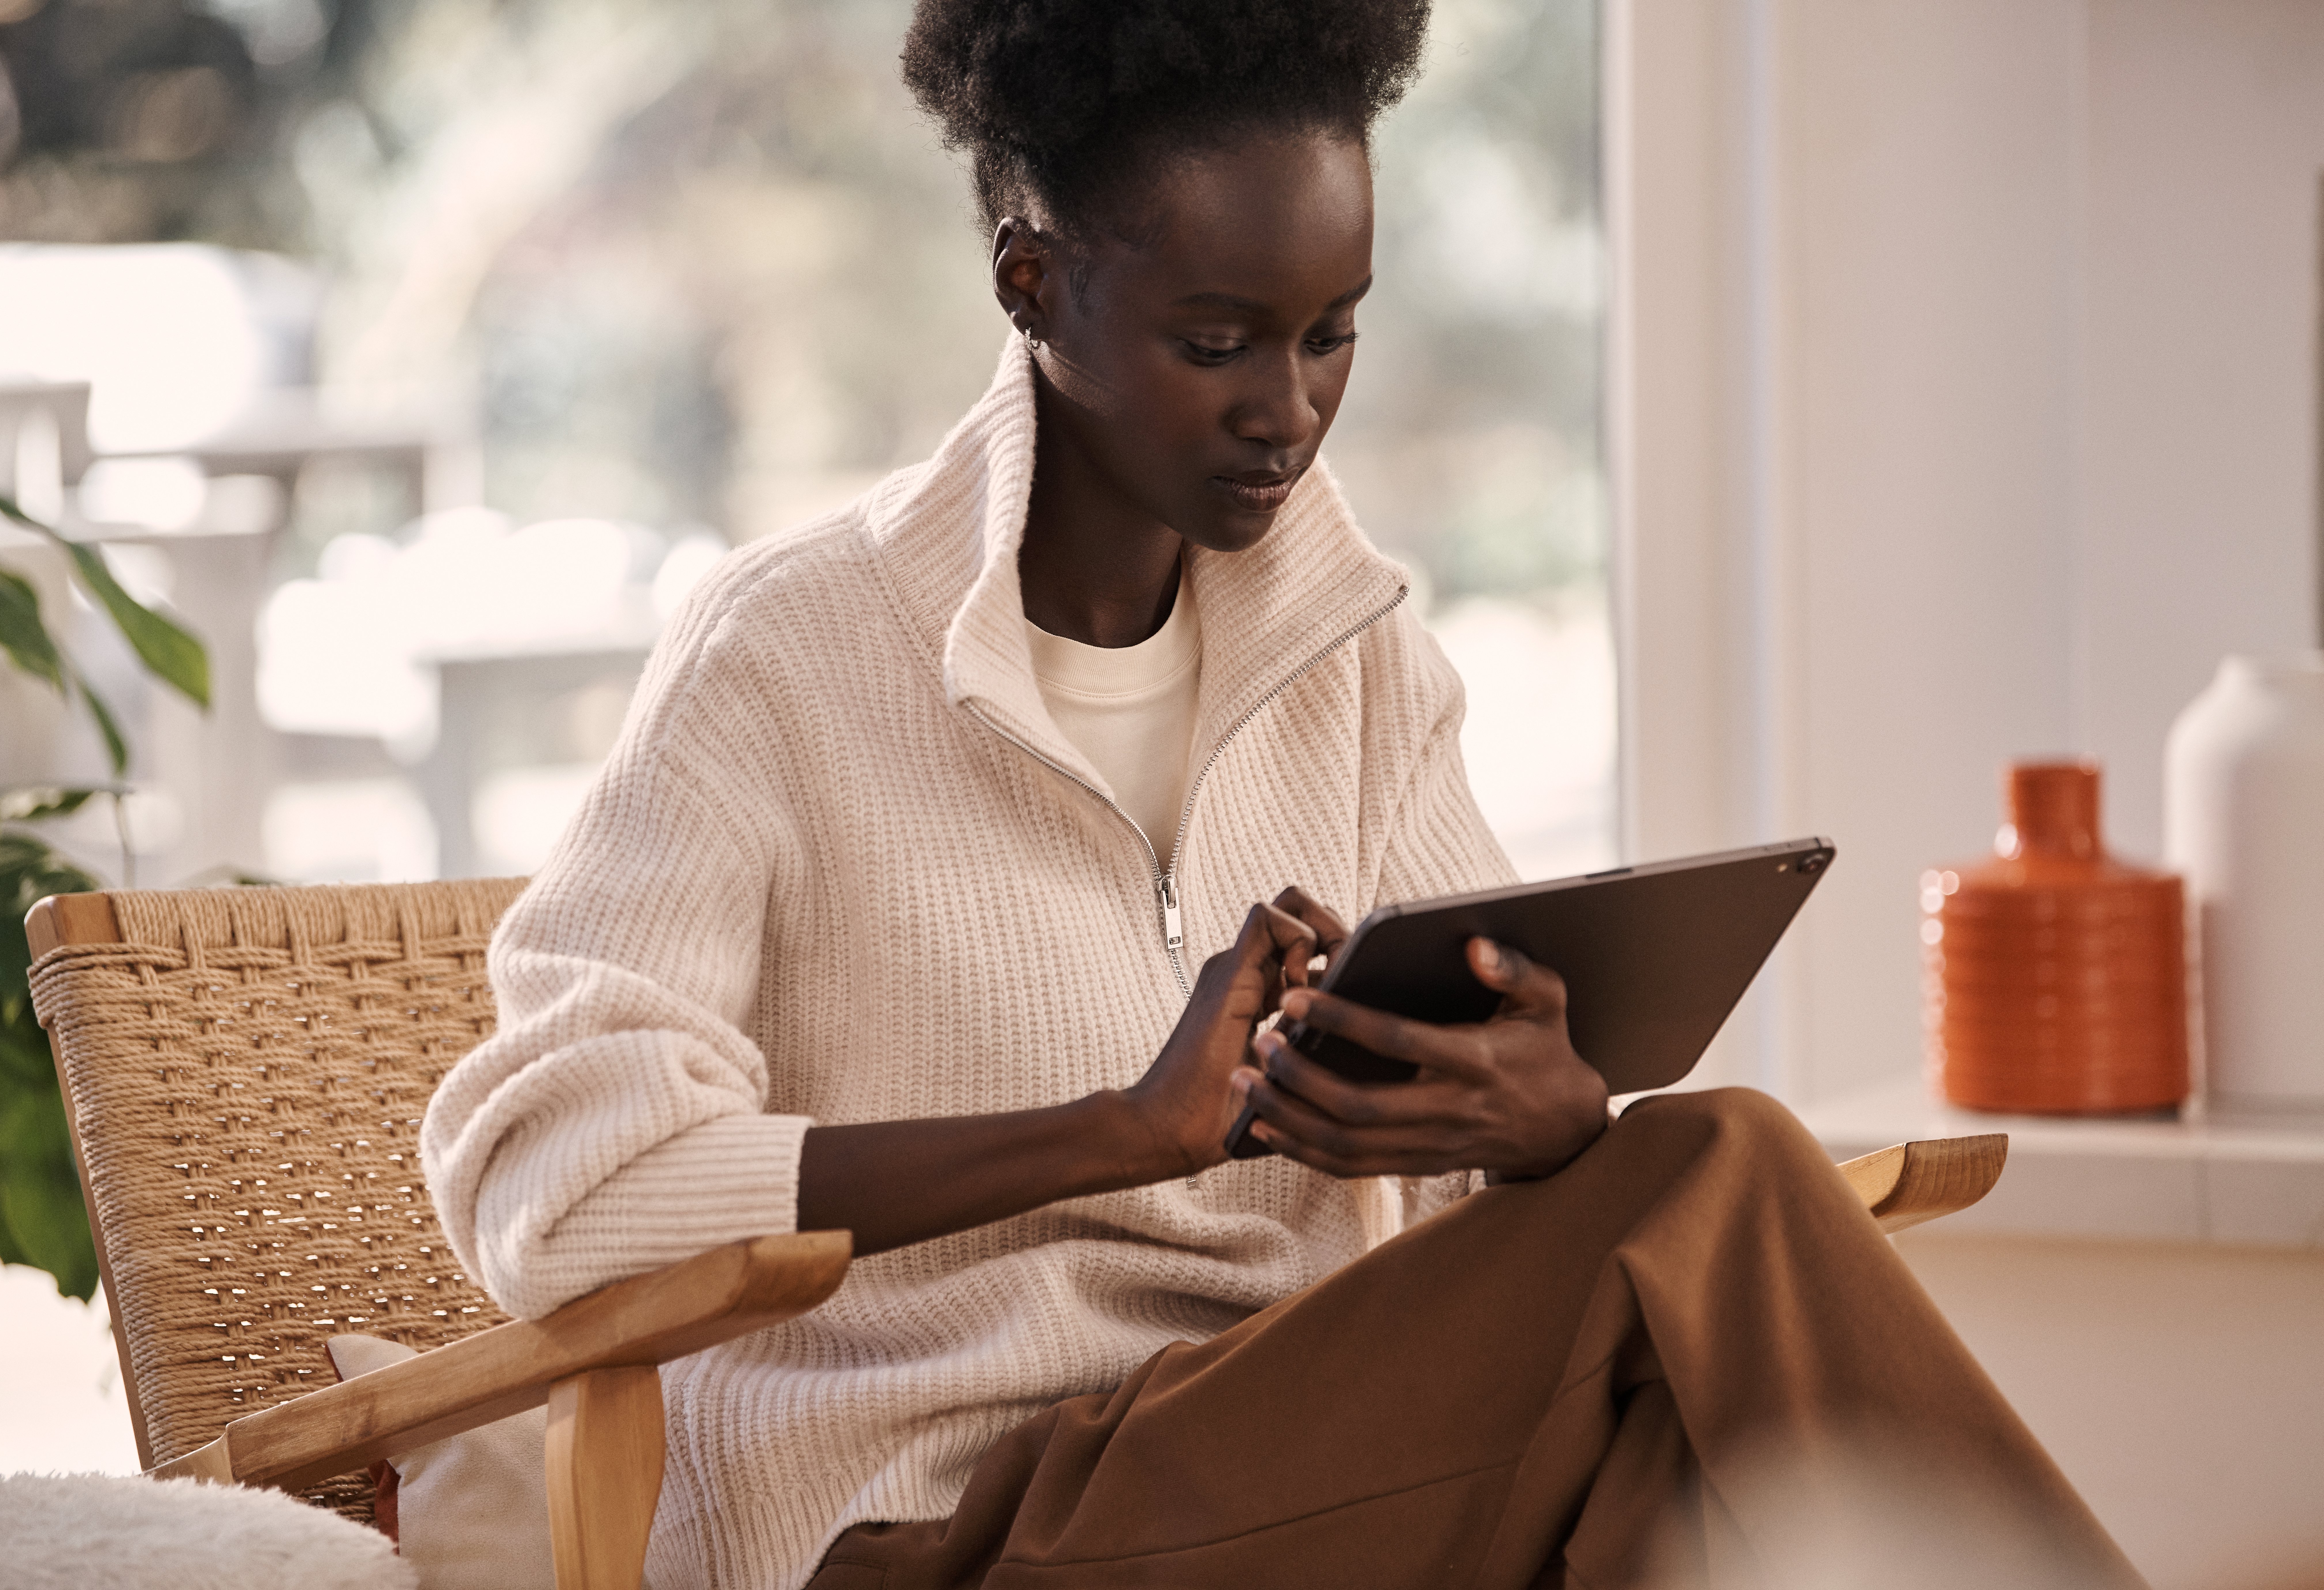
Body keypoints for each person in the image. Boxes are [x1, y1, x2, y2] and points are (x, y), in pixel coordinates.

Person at [422, 3, 2143, 1587]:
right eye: (1218, 341)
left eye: (1333, 334)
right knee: (1725, 1174)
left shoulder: (1358, 662)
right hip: (945, 1522)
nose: (1290, 410)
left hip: (1303, 1462)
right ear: (1032, 283)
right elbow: (551, 1189)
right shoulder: (786, 655)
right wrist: (1121, 1130)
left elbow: (1488, 1188)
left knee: (1671, 1459)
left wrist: (1538, 1123)